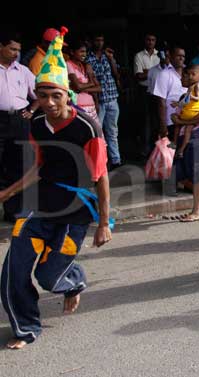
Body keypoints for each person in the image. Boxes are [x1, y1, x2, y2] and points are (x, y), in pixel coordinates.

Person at [0, 27, 112, 350]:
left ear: (68, 94)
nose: (48, 102)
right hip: (39, 204)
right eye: (42, 94)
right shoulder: (36, 124)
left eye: (55, 95)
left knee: (50, 277)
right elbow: (38, 167)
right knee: (13, 269)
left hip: (73, 213)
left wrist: (103, 224)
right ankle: (26, 328)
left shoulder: (87, 127)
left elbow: (101, 177)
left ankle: (73, 281)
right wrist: (7, 194)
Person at [0, 31, 38, 222]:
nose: (16, 53)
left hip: (19, 121)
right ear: (1, 47)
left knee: (20, 165)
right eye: (12, 49)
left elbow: (40, 91)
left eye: (18, 50)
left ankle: (14, 211)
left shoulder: (22, 71)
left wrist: (33, 109)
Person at [171, 66, 199, 222]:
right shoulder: (185, 96)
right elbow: (178, 115)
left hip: (198, 136)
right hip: (184, 138)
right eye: (186, 75)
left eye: (192, 74)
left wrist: (181, 121)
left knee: (198, 174)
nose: (188, 77)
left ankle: (196, 211)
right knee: (181, 173)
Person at [87, 33, 122, 170]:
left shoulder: (108, 56)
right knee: (98, 132)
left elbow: (116, 74)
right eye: (97, 40)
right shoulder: (88, 58)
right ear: (92, 41)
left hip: (112, 97)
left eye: (102, 40)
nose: (100, 43)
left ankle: (116, 159)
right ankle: (101, 161)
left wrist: (111, 59)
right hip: (99, 100)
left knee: (113, 131)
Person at [152, 45, 187, 141]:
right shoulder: (164, 74)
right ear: (170, 57)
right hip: (172, 121)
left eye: (183, 56)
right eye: (178, 56)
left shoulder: (188, 72)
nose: (181, 58)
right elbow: (161, 102)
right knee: (172, 152)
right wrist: (163, 125)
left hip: (189, 119)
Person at [133, 33, 160, 157]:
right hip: (144, 91)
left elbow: (163, 73)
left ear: (155, 41)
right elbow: (138, 76)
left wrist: (147, 72)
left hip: (158, 90)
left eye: (153, 40)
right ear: (145, 41)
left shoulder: (160, 55)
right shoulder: (139, 55)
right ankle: (145, 149)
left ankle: (157, 148)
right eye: (148, 40)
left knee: (158, 120)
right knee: (145, 121)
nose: (150, 42)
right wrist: (155, 70)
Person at [172, 65, 199, 159]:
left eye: (193, 74)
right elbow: (186, 101)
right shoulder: (191, 87)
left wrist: (191, 97)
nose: (190, 76)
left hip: (192, 115)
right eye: (189, 74)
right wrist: (178, 104)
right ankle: (175, 144)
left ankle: (181, 149)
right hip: (187, 114)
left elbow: (197, 98)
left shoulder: (198, 86)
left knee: (186, 132)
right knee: (177, 125)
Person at [67, 40, 101, 122]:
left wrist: (82, 88)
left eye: (85, 52)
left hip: (91, 106)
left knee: (96, 133)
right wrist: (91, 84)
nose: (84, 54)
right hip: (78, 107)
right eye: (81, 52)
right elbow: (78, 86)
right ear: (72, 52)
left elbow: (99, 88)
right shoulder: (68, 64)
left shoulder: (86, 66)